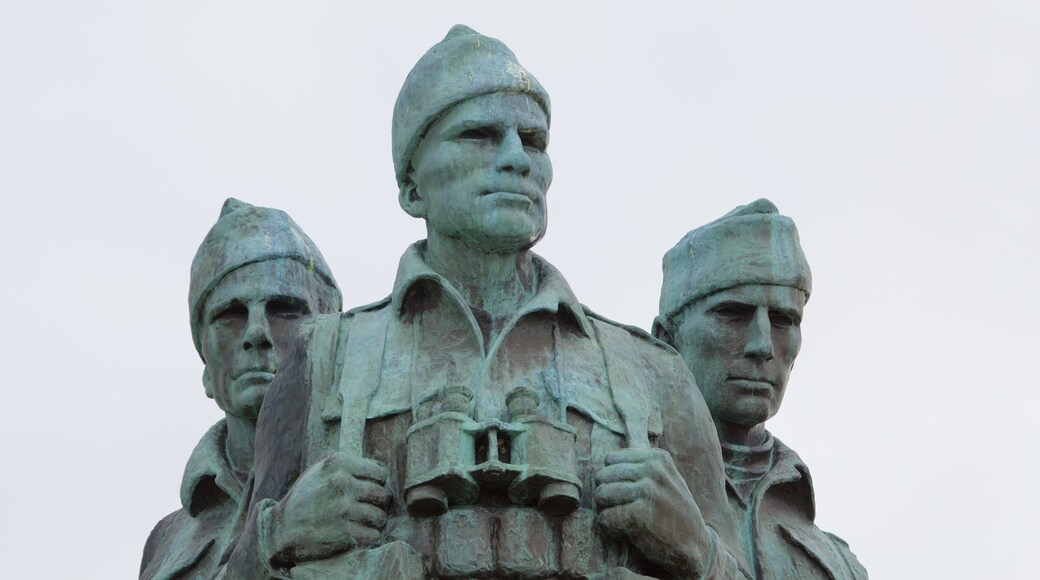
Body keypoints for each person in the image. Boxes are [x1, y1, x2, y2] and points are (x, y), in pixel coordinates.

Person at [223, 25, 749, 579]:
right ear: (411, 188)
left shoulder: (653, 372)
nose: (517, 159)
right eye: (479, 135)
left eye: (535, 141)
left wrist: (697, 548)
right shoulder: (323, 358)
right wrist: (277, 535)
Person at [652, 199, 867, 579]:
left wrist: (701, 554)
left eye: (783, 320)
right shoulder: (622, 491)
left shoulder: (838, 566)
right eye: (732, 314)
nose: (762, 345)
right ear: (667, 339)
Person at [139, 198, 341, 580]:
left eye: (285, 310)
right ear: (205, 363)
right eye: (230, 315)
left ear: (332, 340)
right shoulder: (167, 541)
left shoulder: (370, 467)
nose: (256, 334)